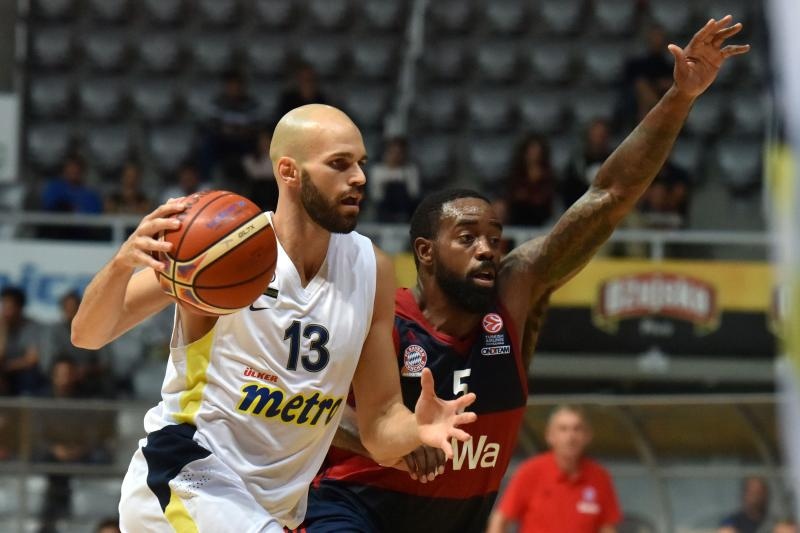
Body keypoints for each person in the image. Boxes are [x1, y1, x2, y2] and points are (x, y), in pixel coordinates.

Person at [303, 16, 749, 533]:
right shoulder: (381, 315)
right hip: (352, 507)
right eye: (467, 238)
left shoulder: (515, 295)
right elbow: (311, 405)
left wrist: (680, 95)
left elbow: (608, 198)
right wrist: (395, 441)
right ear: (425, 252)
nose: (488, 249)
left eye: (494, 237)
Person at [71, 103, 477, 532]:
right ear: (289, 171)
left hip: (270, 511)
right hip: (185, 479)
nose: (359, 177)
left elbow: (378, 424)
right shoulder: (222, 248)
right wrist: (121, 264)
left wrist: (417, 427)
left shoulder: (370, 268)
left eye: (361, 163)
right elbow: (88, 335)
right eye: (339, 164)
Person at [487, 405, 621, 533]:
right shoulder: (530, 472)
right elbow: (500, 520)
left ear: (588, 436)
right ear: (550, 436)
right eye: (563, 429)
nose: (570, 437)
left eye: (577, 429)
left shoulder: (600, 477)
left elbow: (607, 527)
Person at [504, 133, 557, 227]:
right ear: (524, 153)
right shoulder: (516, 174)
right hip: (518, 220)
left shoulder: (549, 176)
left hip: (543, 221)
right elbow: (514, 197)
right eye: (531, 151)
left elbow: (548, 200)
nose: (534, 155)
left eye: (537, 151)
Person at [561, 118, 614, 209]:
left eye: (602, 135)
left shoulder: (614, 160)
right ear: (588, 136)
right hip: (579, 209)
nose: (599, 139)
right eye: (595, 135)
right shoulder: (577, 162)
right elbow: (567, 191)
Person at [0, 286, 43, 395]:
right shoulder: (2, 326)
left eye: (9, 307)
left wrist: (6, 367)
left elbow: (32, 359)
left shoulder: (32, 327)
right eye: (4, 305)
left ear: (19, 308)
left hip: (23, 374)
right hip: (3, 373)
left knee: (29, 378)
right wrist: (4, 330)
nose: (5, 311)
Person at [369, 137, 421, 223]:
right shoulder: (377, 170)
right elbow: (375, 195)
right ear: (385, 153)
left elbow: (414, 194)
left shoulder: (411, 170)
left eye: (399, 153)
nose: (396, 156)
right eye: (392, 152)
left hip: (406, 209)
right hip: (382, 209)